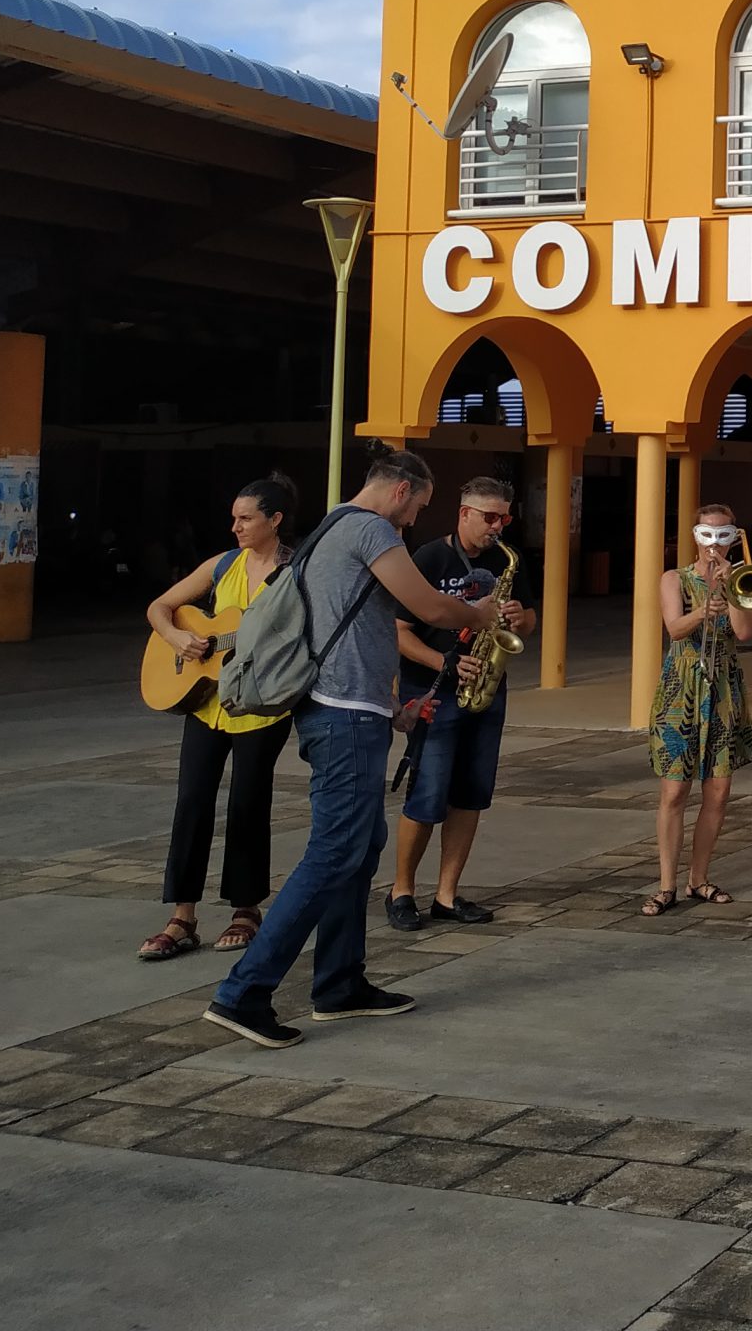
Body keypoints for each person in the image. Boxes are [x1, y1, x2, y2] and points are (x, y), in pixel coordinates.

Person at [204, 446, 505, 1049]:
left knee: (360, 846)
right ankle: (243, 994)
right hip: (342, 717)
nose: (415, 518)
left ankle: (340, 984)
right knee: (335, 849)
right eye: (418, 505)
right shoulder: (368, 528)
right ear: (400, 491)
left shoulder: (331, 527)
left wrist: (392, 708)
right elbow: (424, 606)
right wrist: (482, 611)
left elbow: (348, 630)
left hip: (349, 711)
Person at [139, 476, 300, 959]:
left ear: (275, 520)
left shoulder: (297, 572)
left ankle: (245, 909)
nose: (235, 527)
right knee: (191, 801)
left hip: (262, 707)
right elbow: (159, 607)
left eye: (245, 518)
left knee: (248, 805)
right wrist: (176, 638)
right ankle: (182, 916)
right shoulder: (223, 564)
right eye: (234, 517)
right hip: (207, 705)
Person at [387, 476, 537, 930]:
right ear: (464, 513)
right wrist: (443, 664)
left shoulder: (506, 559)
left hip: (486, 689)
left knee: (471, 794)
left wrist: (518, 619)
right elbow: (399, 632)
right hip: (434, 691)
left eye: (504, 517)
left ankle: (448, 895)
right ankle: (402, 891)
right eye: (490, 517)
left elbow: (528, 620)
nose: (498, 526)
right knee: (427, 793)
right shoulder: (428, 558)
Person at [644, 502, 752, 914]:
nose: (715, 543)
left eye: (724, 534)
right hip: (682, 688)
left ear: (735, 537)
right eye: (708, 534)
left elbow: (745, 631)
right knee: (674, 790)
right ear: (696, 536)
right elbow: (675, 629)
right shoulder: (674, 578)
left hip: (724, 688)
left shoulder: (741, 578)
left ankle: (699, 878)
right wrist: (702, 610)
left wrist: (729, 590)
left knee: (718, 791)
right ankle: (665, 884)